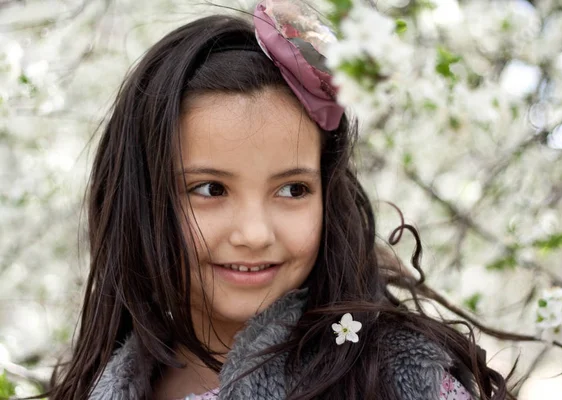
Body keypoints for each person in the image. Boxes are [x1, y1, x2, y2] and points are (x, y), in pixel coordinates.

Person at [47, 1, 516, 399]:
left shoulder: (395, 377)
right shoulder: (102, 382)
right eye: (210, 189)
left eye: (293, 190)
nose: (254, 233)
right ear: (142, 200)